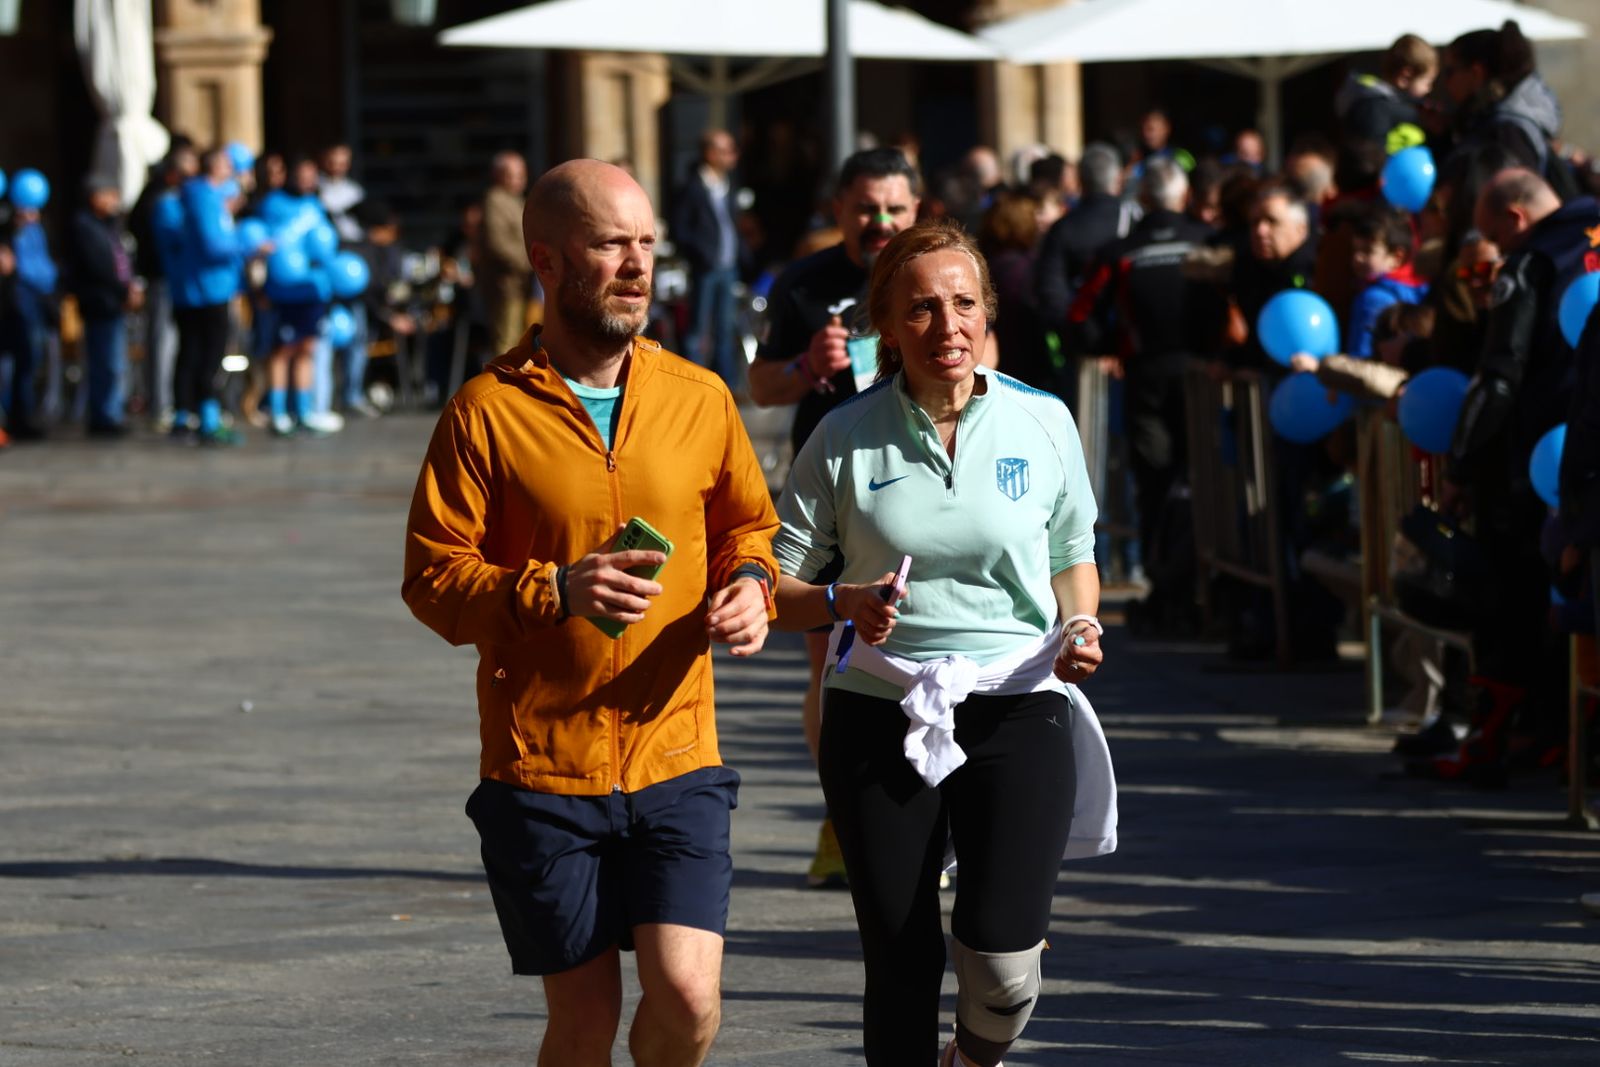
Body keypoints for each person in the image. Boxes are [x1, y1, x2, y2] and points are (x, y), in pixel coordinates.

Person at [402, 159, 779, 1067]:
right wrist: (554, 589)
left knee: (688, 1000)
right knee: (582, 1027)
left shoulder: (699, 397)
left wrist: (752, 584)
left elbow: (750, 526)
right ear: (547, 260)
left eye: (646, 243)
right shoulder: (485, 412)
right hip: (543, 768)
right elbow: (432, 577)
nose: (637, 264)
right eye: (611, 244)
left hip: (677, 756)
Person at [770, 219, 1116, 1067]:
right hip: (879, 706)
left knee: (1003, 969)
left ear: (987, 311)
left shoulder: (1043, 419)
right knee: (902, 959)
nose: (947, 325)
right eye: (922, 307)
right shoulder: (843, 434)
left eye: (964, 303)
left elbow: (1073, 555)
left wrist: (1080, 624)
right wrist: (841, 601)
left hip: (1019, 698)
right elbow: (774, 588)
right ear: (888, 326)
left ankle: (971, 1057)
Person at [747, 146, 922, 888]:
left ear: (917, 209)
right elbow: (761, 385)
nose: (880, 221)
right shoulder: (805, 282)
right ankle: (842, 817)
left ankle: (921, 819)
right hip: (829, 499)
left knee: (922, 657)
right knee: (830, 668)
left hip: (921, 495)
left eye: (894, 208)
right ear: (840, 210)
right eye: (866, 208)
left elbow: (988, 358)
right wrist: (806, 368)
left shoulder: (936, 273)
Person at [1069, 159, 1214, 633]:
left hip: (1147, 378)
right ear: (1184, 194)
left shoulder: (1121, 251)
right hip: (1204, 377)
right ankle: (1201, 586)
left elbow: (1079, 314)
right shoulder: (1206, 240)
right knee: (1205, 479)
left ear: (1144, 199)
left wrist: (1108, 347)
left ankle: (1167, 585)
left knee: (1155, 482)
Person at [171, 147, 247, 445]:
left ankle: (188, 416)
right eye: (226, 163)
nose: (231, 168)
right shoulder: (204, 197)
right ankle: (206, 418)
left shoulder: (203, 196)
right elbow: (213, 245)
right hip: (208, 289)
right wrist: (246, 244)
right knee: (209, 354)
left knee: (193, 352)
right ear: (214, 166)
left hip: (201, 287)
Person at [670, 129, 749, 388]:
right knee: (697, 329)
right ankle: (693, 384)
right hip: (705, 268)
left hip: (728, 267)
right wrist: (701, 254)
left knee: (725, 329)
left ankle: (726, 386)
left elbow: (730, 226)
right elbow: (680, 230)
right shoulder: (692, 187)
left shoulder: (727, 185)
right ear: (711, 153)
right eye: (726, 150)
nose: (733, 156)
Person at [67, 176, 138, 437]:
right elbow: (100, 266)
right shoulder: (85, 226)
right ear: (95, 197)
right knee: (106, 362)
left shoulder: (108, 225)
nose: (115, 201)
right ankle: (105, 415)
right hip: (100, 302)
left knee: (113, 361)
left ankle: (110, 412)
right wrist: (123, 289)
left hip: (111, 301)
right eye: (110, 195)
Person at [1345, 203, 1428, 359]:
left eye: (1368, 251)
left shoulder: (1373, 298)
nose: (1357, 257)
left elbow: (1361, 354)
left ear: (1397, 257)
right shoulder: (1423, 290)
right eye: (1355, 250)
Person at [1334, 33, 1437, 154]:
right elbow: (1372, 157)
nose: (1429, 89)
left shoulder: (1407, 105)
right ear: (1405, 76)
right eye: (1428, 82)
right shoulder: (1374, 109)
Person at [480, 151, 532, 356]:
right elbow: (498, 243)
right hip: (507, 285)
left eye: (521, 175)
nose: (518, 180)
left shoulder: (518, 200)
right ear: (498, 175)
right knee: (507, 343)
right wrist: (530, 262)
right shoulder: (495, 200)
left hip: (524, 284)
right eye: (511, 175)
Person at [318, 142, 365, 244]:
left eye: (342, 164)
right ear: (324, 160)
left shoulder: (355, 191)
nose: (336, 168)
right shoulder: (314, 187)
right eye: (332, 163)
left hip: (352, 243)